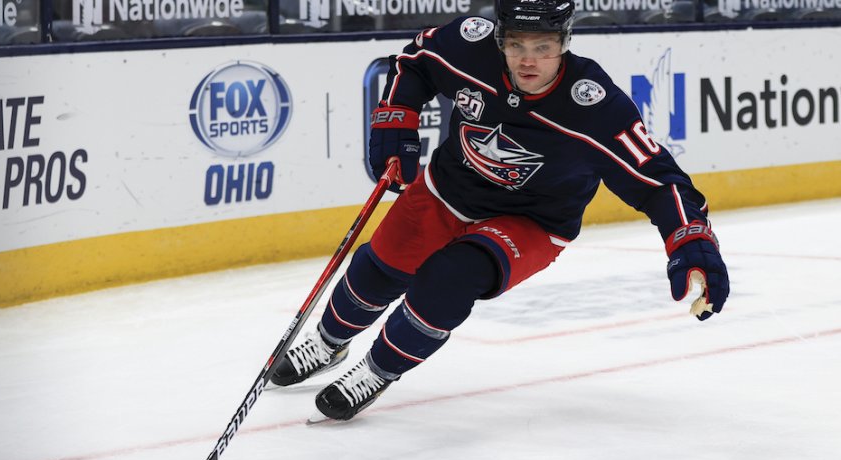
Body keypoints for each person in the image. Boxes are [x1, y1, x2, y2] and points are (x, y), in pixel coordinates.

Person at [270, 0, 730, 421]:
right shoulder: (470, 46)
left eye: (544, 47)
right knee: (378, 269)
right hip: (449, 187)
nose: (529, 60)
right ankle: (329, 342)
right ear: (499, 40)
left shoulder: (596, 107)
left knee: (448, 280)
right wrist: (397, 117)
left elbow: (659, 181)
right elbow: (415, 62)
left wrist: (690, 240)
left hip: (533, 222)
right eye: (516, 45)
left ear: (565, 43)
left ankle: (378, 369)